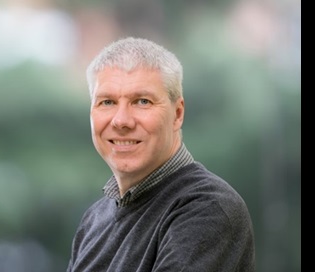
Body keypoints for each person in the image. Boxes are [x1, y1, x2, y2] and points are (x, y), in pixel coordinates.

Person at [66, 37, 255, 272]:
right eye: (107, 102)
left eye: (142, 101)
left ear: (177, 114)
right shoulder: (94, 221)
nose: (121, 120)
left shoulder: (208, 208)